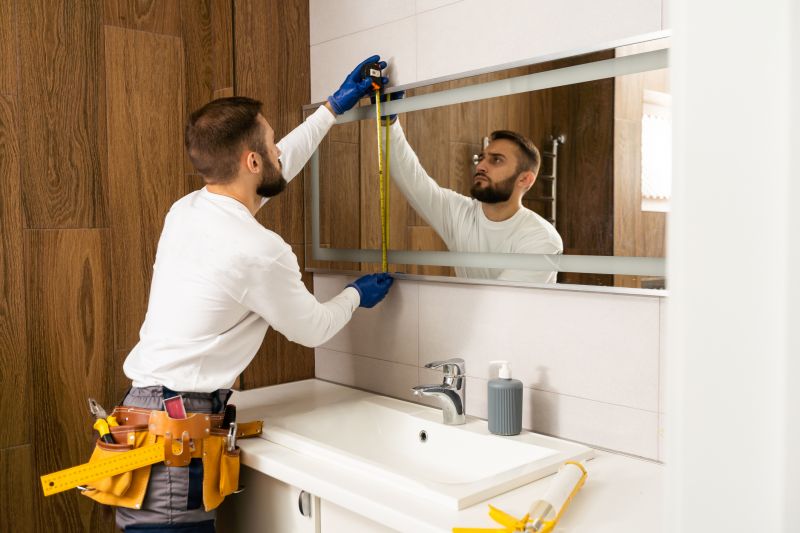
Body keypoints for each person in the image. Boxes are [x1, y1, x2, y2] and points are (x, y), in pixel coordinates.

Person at [115, 56, 393, 533]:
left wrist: (331, 109)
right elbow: (313, 329)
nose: (278, 150)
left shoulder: (187, 210)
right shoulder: (259, 251)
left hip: (146, 414)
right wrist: (354, 294)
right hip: (174, 437)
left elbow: (274, 170)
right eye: (270, 142)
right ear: (251, 161)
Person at [386, 96, 563, 283]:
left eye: (496, 160)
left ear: (525, 179)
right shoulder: (460, 214)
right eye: (482, 157)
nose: (480, 166)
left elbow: (501, 298)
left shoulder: (541, 237)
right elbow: (411, 178)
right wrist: (389, 122)